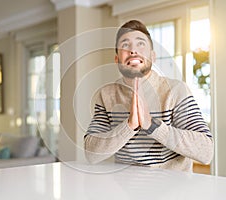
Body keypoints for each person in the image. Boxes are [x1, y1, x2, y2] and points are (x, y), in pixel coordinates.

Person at [84, 20, 214, 172]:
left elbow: (206, 151)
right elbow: (91, 154)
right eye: (125, 45)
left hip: (172, 192)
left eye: (140, 44)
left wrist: (152, 125)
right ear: (117, 59)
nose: (133, 50)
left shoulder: (176, 91)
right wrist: (129, 126)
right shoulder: (106, 95)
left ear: (152, 57)